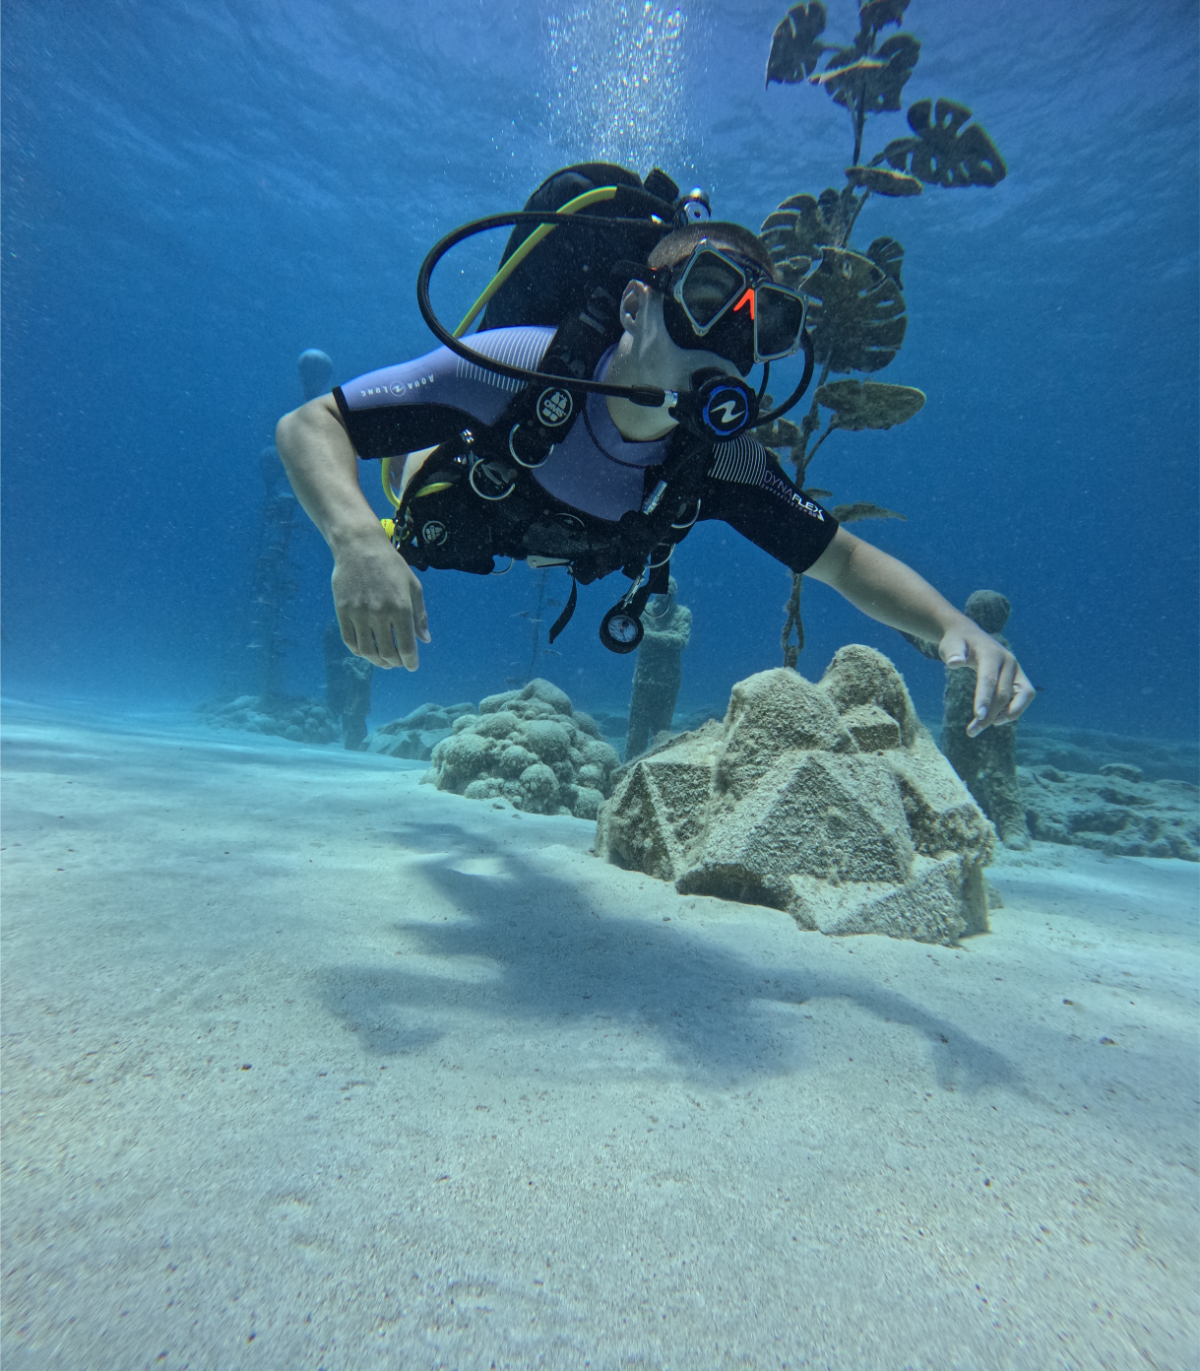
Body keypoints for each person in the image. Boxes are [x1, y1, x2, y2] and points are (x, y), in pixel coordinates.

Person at [276, 210, 1034, 738]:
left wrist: (954, 628)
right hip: (467, 491)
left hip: (572, 544)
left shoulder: (718, 458)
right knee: (411, 488)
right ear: (637, 304)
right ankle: (391, 496)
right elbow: (312, 423)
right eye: (706, 298)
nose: (728, 337)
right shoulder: (520, 366)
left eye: (760, 324)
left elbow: (841, 556)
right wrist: (355, 541)